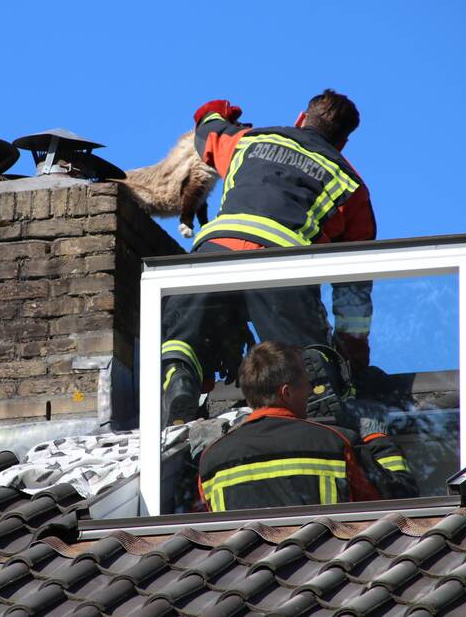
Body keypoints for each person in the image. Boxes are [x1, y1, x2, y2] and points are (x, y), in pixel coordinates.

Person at [161, 90, 376, 425]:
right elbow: (354, 287)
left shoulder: (247, 141)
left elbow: (206, 126)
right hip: (283, 273)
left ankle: (180, 381)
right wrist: (351, 353)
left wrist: (222, 110)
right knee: (306, 357)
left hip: (210, 261)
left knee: (181, 338)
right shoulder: (352, 187)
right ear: (343, 143)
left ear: (301, 119)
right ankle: (318, 392)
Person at [197, 342, 416, 512]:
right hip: (325, 566)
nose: (311, 390)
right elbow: (398, 498)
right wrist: (376, 436)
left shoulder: (211, 460)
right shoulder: (336, 444)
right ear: (287, 393)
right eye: (306, 383)